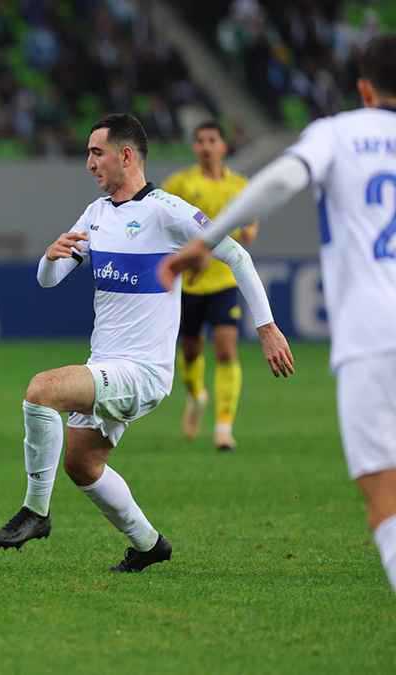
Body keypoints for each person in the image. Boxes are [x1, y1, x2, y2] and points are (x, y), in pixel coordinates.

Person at [0, 113, 293, 572]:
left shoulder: (167, 212)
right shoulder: (96, 214)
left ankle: (36, 511)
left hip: (142, 372)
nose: (88, 163)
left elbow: (237, 254)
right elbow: (49, 281)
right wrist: (50, 258)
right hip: (107, 363)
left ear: (125, 155)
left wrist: (266, 327)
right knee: (82, 464)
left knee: (41, 390)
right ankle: (150, 545)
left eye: (96, 152)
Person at [159, 35, 396, 590]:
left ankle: (217, 419)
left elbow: (285, 178)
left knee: (385, 502)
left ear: (363, 87)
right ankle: (203, 406)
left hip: (374, 335)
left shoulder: (337, 133)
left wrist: (206, 239)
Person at [162, 121, 258, 451]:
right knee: (190, 351)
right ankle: (196, 396)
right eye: (199, 141)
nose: (205, 146)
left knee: (227, 349)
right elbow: (163, 225)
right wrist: (189, 256)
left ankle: (223, 427)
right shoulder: (180, 184)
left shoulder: (238, 185)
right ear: (194, 147)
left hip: (223, 281)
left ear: (223, 147)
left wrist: (249, 231)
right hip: (188, 284)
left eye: (211, 140)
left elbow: (250, 224)